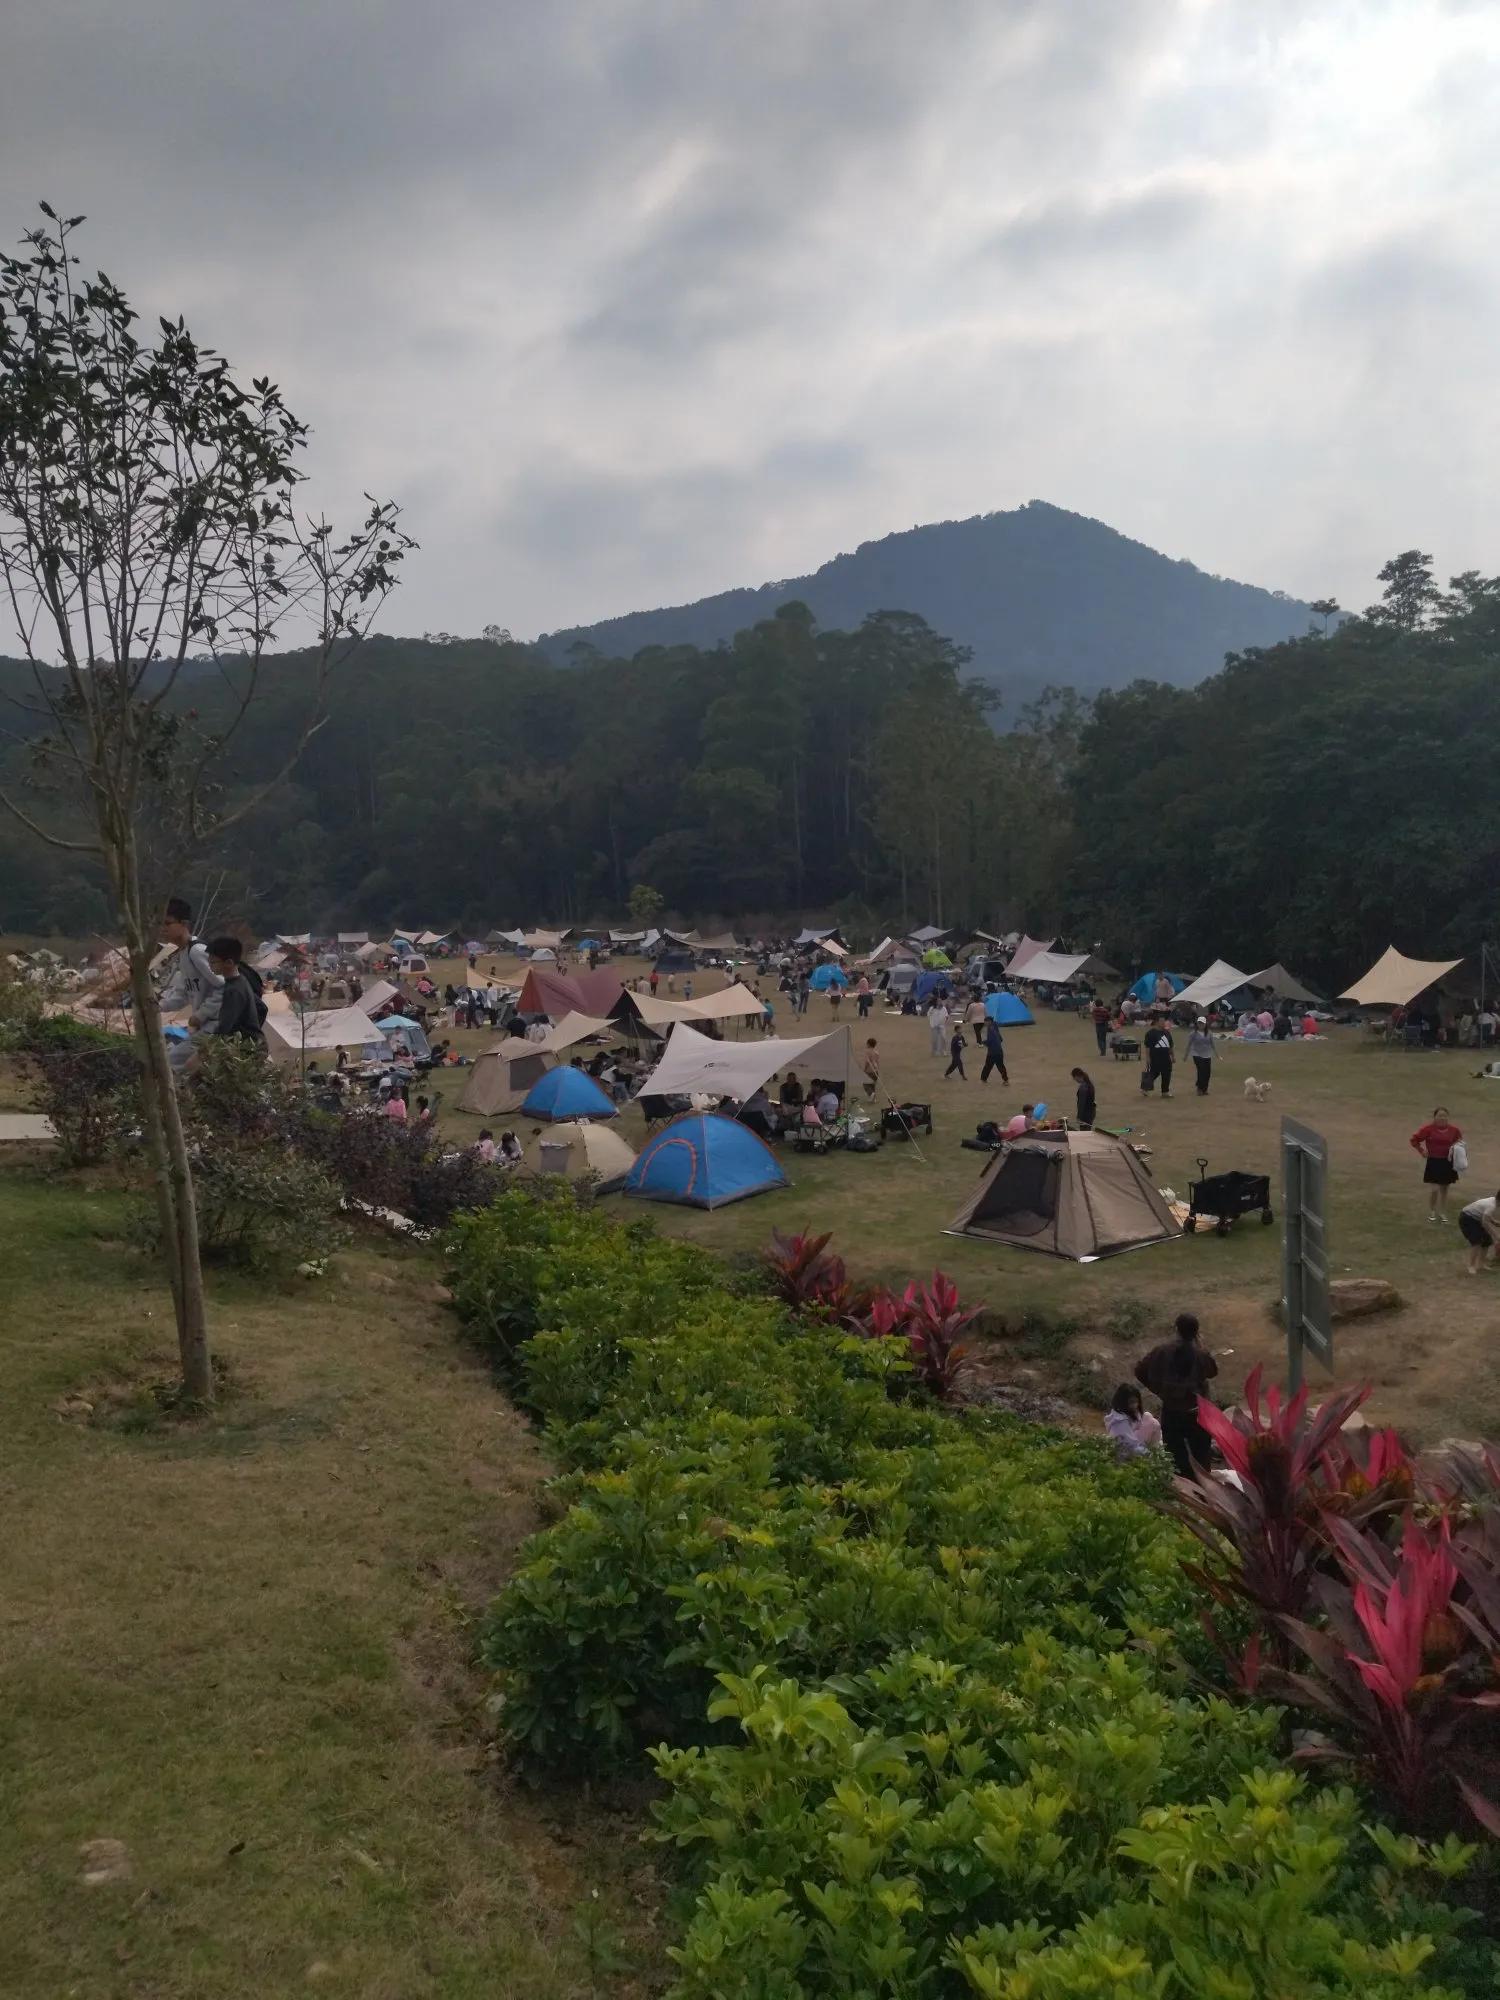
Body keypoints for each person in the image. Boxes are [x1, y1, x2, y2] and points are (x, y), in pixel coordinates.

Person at [1135, 1312, 1218, 1477]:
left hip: (1172, 1412)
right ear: (1197, 1332)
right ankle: (1205, 1498)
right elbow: (1213, 1372)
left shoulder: (1161, 1351)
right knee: (1202, 1461)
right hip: (1198, 1414)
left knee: (1175, 1460)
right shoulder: (1200, 1354)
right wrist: (1201, 1347)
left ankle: (1181, 1498)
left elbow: (1140, 1370)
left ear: (1176, 1329)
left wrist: (1158, 1389)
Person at [157, 898, 222, 1064]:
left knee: (172, 1062)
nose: (163, 929)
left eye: (168, 923)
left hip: (217, 1024)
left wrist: (201, 1015)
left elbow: (225, 986)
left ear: (184, 923)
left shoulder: (197, 951)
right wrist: (159, 1006)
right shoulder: (183, 953)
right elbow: (184, 994)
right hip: (204, 1025)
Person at [206, 937, 265, 1046]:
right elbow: (262, 1008)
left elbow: (224, 1029)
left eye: (213, 962)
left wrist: (201, 1054)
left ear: (228, 963)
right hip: (254, 1044)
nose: (209, 965)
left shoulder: (234, 990)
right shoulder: (241, 980)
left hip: (247, 1050)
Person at [1411, 1106, 1464, 1220]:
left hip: (1448, 1162)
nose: (1442, 1118)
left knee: (1444, 1190)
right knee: (1435, 1190)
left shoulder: (1454, 1130)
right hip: (1434, 1162)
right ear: (1434, 1117)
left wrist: (1457, 1151)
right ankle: (1432, 1212)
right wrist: (1422, 1151)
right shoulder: (1428, 1129)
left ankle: (1442, 1213)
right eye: (1439, 1115)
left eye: (1444, 1115)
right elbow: (1414, 1140)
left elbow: (1459, 1142)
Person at [1104, 1384, 1163, 1462]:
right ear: (1123, 1402)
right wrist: (1149, 1454)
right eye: (1131, 1402)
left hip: (1132, 1448)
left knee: (1149, 1418)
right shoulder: (1120, 1423)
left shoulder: (1123, 1413)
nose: (1135, 1405)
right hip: (1125, 1459)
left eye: (1136, 1402)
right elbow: (1130, 1448)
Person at [1460, 1188, 1500, 1275]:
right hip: (1467, 1218)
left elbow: (1483, 1213)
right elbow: (1485, 1223)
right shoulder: (1492, 1206)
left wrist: (1493, 1221)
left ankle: (1481, 1264)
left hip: (1475, 1218)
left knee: (1487, 1241)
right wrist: (1496, 1235)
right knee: (1477, 1241)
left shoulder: (1493, 1201)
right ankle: (1471, 1265)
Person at [1141, 1017, 1174, 1097]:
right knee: (1153, 1073)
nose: (1163, 1023)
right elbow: (1148, 1047)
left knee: (1167, 1074)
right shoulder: (1151, 1033)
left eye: (1164, 1021)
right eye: (1161, 1021)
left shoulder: (1167, 1033)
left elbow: (1170, 1045)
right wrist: (1148, 1058)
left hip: (1166, 1057)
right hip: (1155, 1057)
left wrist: (1173, 1056)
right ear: (1156, 1022)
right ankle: (1145, 1088)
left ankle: (1165, 1092)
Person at [1185, 1017, 1214, 1096]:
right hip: (1196, 1054)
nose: (1200, 1025)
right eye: (1199, 1023)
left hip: (1207, 1054)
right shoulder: (1193, 1033)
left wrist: (1217, 1054)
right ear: (1197, 1024)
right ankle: (1199, 1088)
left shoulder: (1209, 1033)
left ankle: (1205, 1089)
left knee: (1207, 1072)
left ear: (1205, 1024)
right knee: (1201, 1070)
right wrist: (1186, 1055)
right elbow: (1189, 1045)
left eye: (1202, 1023)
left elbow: (1212, 1044)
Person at [980, 1017, 1008, 1085]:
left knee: (988, 1065)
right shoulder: (995, 1028)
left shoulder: (990, 1029)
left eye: (985, 1022)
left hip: (992, 1052)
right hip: (999, 1051)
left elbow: (990, 1041)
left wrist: (983, 1042)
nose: (985, 1023)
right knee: (1001, 1066)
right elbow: (1001, 1039)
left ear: (989, 1021)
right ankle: (1005, 1080)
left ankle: (983, 1079)